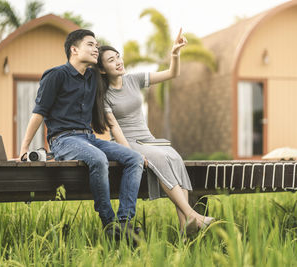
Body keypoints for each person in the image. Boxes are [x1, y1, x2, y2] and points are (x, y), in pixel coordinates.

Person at [19, 29, 144, 237]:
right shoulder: (56, 75)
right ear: (74, 50)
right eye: (90, 44)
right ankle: (109, 224)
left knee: (135, 158)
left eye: (97, 45)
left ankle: (125, 222)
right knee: (99, 159)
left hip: (89, 138)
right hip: (63, 140)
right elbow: (38, 113)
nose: (95, 48)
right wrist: (24, 149)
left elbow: (113, 73)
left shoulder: (93, 77)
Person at [96, 28, 215, 235]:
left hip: (147, 138)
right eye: (111, 60)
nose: (118, 61)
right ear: (102, 70)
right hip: (126, 141)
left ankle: (186, 227)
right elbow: (115, 128)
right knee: (159, 158)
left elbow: (172, 73)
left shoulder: (133, 79)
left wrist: (175, 53)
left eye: (118, 57)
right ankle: (192, 215)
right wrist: (131, 153)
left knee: (175, 158)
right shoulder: (103, 95)